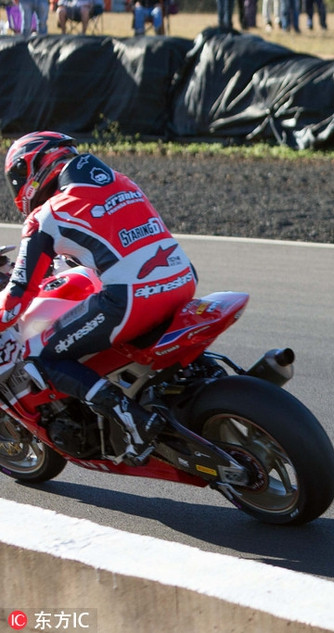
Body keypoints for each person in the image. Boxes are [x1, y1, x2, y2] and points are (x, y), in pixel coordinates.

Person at [2, 131, 198, 462]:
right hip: (184, 280)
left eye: (19, 177)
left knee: (39, 354)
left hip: (131, 300)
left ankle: (134, 421)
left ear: (33, 168)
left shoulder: (46, 216)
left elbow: (19, 294)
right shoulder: (123, 183)